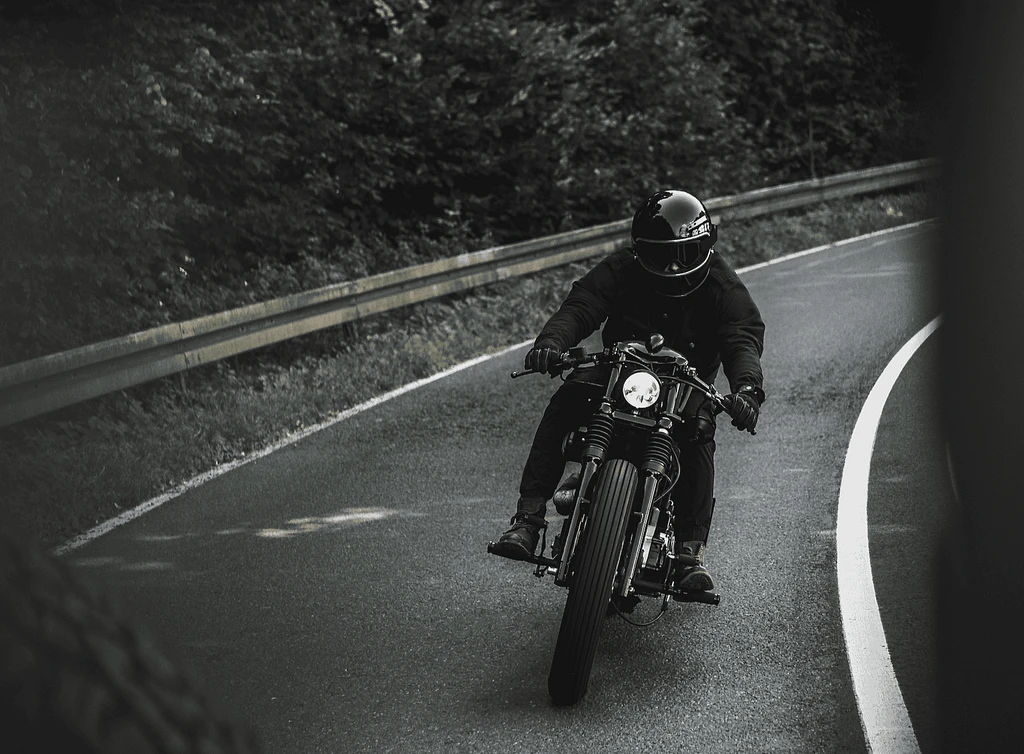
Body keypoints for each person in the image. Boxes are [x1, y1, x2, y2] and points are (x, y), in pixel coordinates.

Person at [491, 189, 765, 591]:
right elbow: (583, 303)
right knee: (566, 401)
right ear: (640, 251)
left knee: (700, 432)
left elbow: (743, 337)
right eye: (660, 255)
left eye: (683, 254)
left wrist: (746, 389)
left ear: (704, 247)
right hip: (619, 369)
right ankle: (528, 520)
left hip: (685, 384)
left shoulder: (723, 286)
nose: (672, 265)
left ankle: (689, 553)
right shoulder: (622, 268)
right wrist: (552, 342)